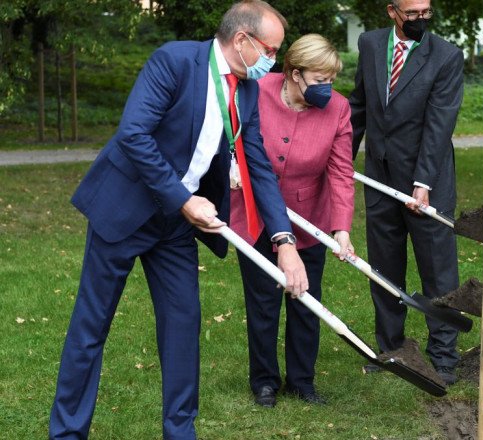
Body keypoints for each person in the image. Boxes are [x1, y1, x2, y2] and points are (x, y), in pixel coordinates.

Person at [49, 2, 308, 438]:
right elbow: (133, 133)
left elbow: (257, 165)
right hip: (124, 210)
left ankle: (180, 432)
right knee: (91, 329)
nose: (274, 62)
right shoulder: (174, 60)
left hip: (175, 228)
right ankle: (67, 433)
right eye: (271, 50)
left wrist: (284, 241)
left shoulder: (246, 89)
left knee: (183, 328)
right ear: (242, 40)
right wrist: (184, 200)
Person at [231, 34, 355, 407]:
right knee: (263, 301)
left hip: (308, 220)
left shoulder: (339, 109)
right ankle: (265, 381)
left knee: (305, 300)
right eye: (320, 80)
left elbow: (341, 173)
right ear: (293, 73)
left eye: (331, 80)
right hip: (255, 217)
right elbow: (229, 137)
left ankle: (302, 380)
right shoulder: (255, 91)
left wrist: (342, 229)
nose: (327, 88)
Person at [348, 0, 464, 386]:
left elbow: (439, 124)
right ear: (391, 11)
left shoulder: (446, 56)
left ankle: (444, 355)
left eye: (426, 12)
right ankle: (392, 349)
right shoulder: (369, 44)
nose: (421, 20)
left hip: (427, 179)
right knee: (384, 266)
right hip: (380, 176)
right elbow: (360, 107)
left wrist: (423, 183)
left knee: (437, 268)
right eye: (412, 13)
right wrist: (339, 162)